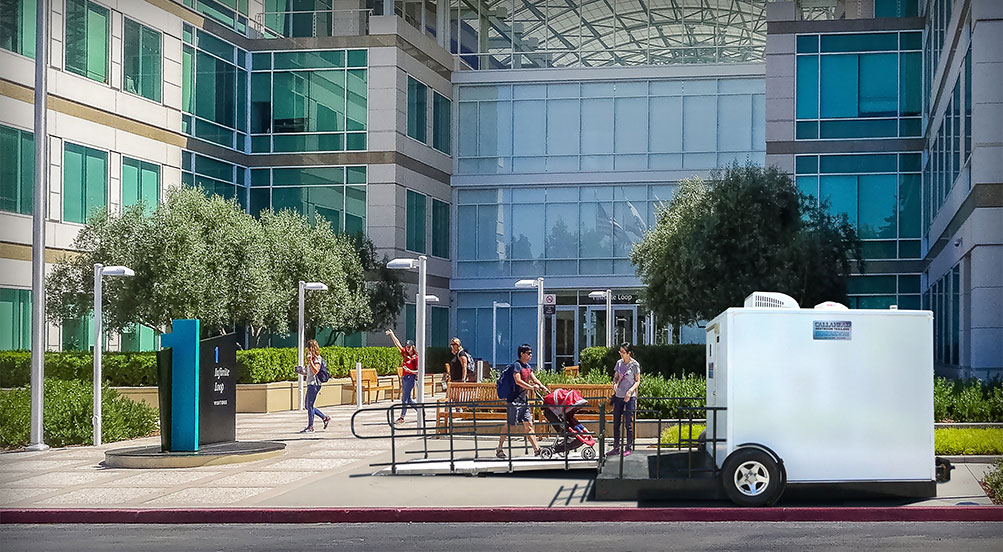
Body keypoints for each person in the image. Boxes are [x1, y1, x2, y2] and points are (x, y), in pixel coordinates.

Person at [496, 343, 547, 459]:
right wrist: (531, 387)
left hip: (524, 400)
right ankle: (499, 449)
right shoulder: (517, 366)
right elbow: (517, 380)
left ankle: (536, 450)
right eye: (528, 353)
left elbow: (534, 378)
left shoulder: (528, 367)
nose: (531, 355)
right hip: (513, 400)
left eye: (531, 353)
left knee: (529, 425)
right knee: (510, 425)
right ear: (522, 354)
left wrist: (542, 386)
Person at [610, 342, 641, 456]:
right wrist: (614, 383)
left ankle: (628, 447)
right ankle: (616, 447)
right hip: (618, 396)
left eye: (623, 352)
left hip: (629, 397)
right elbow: (616, 376)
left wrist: (630, 391)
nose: (621, 354)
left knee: (628, 423)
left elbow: (637, 381)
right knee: (616, 423)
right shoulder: (619, 363)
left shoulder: (634, 365)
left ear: (629, 353)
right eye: (620, 352)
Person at [386, 329, 418, 424]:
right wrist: (392, 335)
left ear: (413, 347)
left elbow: (418, 371)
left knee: (404, 398)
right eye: (407, 347)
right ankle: (421, 411)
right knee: (408, 399)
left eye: (409, 347)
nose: (408, 348)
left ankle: (402, 417)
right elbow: (397, 344)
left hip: (410, 378)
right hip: (404, 378)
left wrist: (409, 371)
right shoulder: (405, 354)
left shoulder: (415, 358)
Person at [299, 339, 331, 434]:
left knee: (310, 405)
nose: (307, 351)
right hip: (310, 383)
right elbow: (310, 372)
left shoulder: (317, 358)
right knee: (307, 405)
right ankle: (324, 417)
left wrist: (310, 361)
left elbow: (316, 371)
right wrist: (301, 371)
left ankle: (311, 426)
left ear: (312, 348)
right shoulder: (312, 359)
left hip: (314, 384)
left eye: (308, 349)